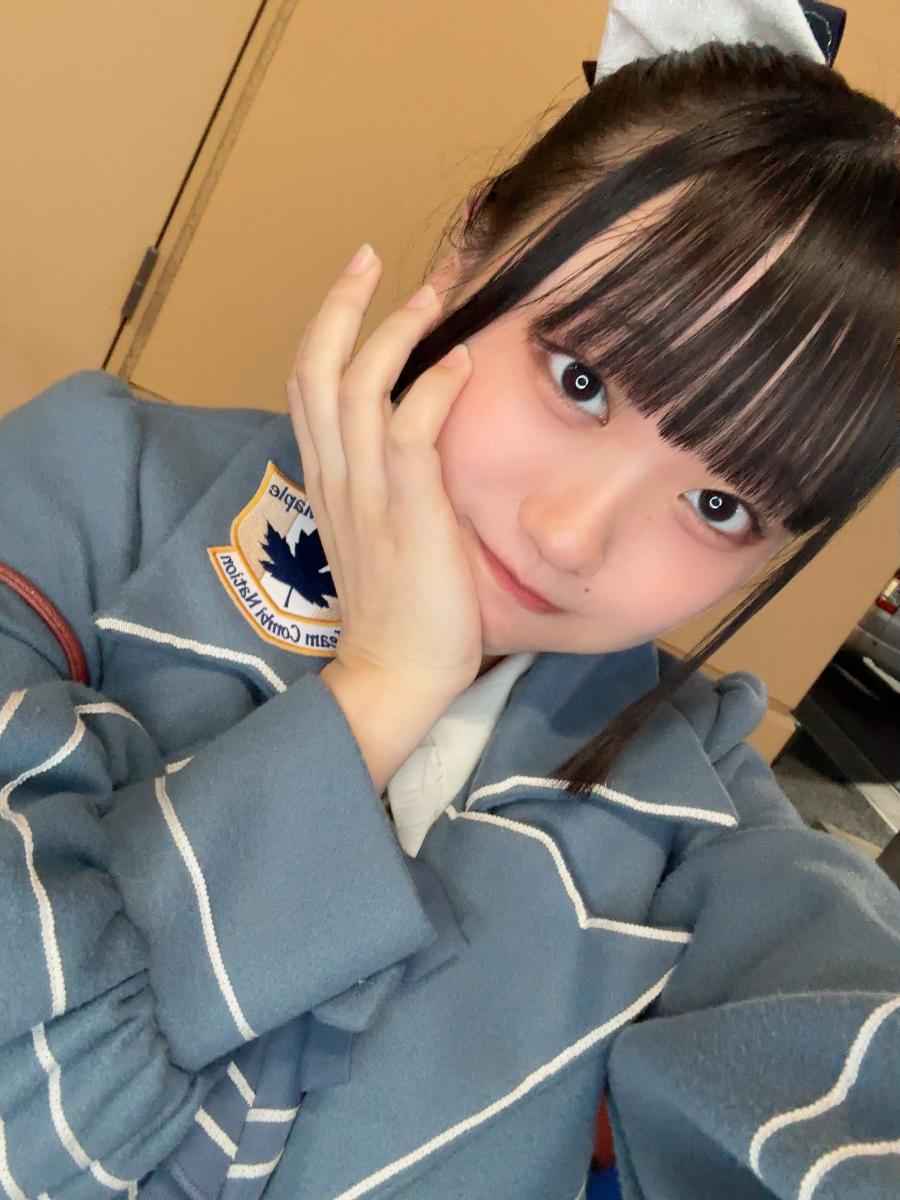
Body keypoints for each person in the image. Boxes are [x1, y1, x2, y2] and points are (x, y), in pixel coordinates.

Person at [1, 18, 898, 1200]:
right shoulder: (89, 493)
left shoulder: (702, 817)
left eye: (722, 505)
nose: (572, 534)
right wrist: (380, 690)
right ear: (474, 243)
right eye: (582, 379)